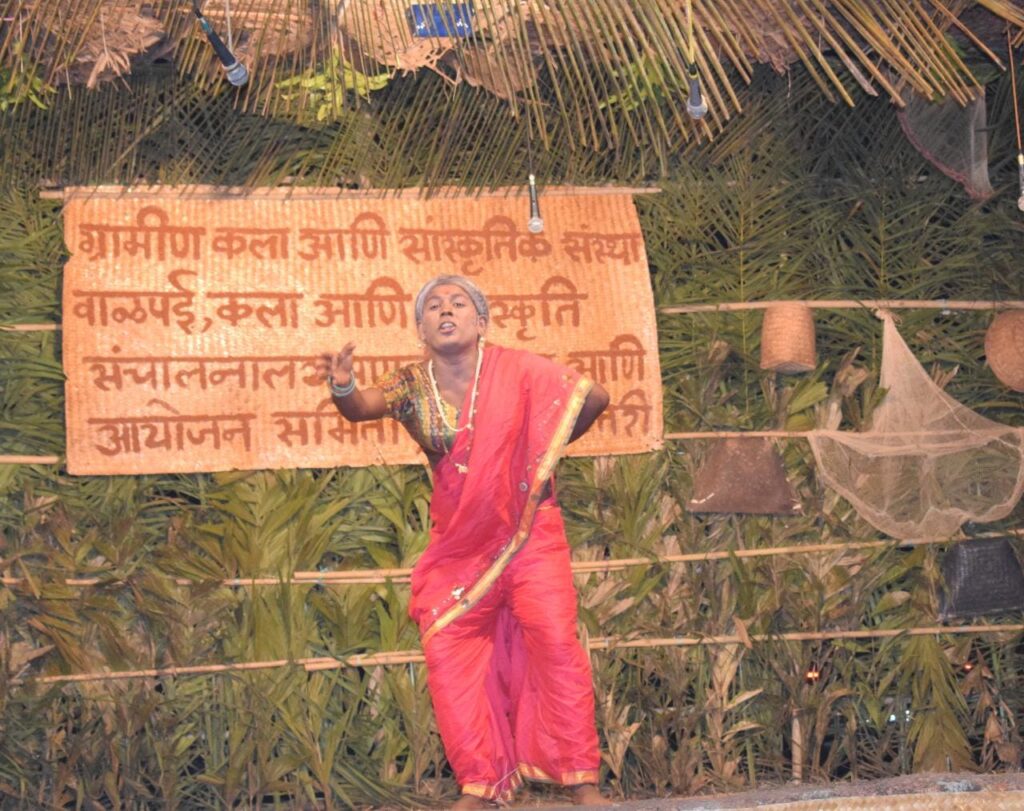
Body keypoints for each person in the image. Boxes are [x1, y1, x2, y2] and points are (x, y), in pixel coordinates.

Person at [325, 275, 612, 808]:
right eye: (433, 306)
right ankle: (479, 783)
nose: (446, 310)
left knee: (555, 642)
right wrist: (342, 387)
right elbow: (361, 407)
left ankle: (581, 781)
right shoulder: (411, 385)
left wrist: (542, 448)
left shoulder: (520, 371)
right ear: (421, 329)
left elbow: (595, 396)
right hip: (460, 544)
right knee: (448, 651)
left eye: (458, 303)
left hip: (531, 533)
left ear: (481, 322)